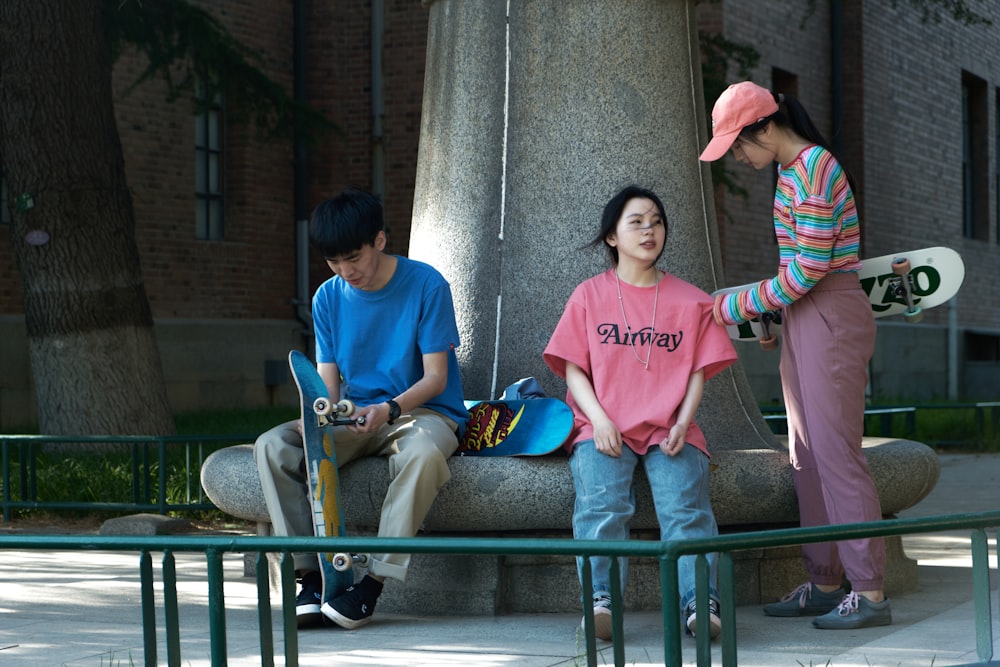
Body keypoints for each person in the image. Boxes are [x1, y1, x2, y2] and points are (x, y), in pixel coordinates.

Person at [700, 81, 891, 630]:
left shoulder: (813, 168)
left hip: (829, 313)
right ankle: (828, 582)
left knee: (835, 455)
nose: (737, 156)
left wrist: (735, 304)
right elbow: (797, 278)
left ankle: (871, 593)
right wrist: (772, 312)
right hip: (806, 316)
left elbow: (808, 271)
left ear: (765, 127)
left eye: (738, 144)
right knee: (805, 457)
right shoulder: (789, 172)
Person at [254, 188, 468, 630]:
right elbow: (327, 384)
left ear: (380, 241)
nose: (346, 271)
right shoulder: (327, 298)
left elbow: (436, 379)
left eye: (354, 257)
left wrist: (389, 409)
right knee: (273, 446)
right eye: (334, 262)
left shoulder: (427, 285)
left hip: (422, 413)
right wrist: (315, 417)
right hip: (355, 415)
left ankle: (372, 585)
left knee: (424, 454)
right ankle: (314, 578)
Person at [543, 185, 738, 641]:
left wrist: (684, 422)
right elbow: (572, 368)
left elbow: (697, 371)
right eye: (636, 221)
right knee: (601, 505)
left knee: (686, 509)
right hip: (601, 423)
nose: (649, 229)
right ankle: (602, 600)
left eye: (656, 221)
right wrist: (600, 420)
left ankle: (699, 602)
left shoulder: (691, 300)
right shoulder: (589, 295)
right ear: (612, 236)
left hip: (670, 426)